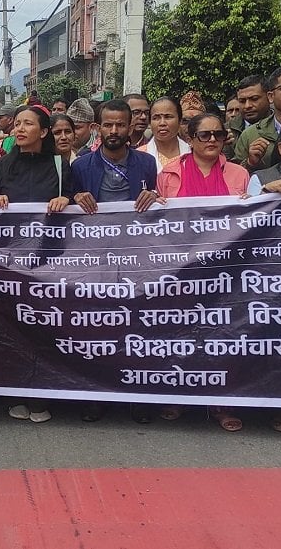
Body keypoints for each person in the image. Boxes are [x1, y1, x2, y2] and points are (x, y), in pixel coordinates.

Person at [156, 112, 250, 430]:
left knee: (223, 336)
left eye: (218, 135)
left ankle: (221, 403)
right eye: (204, 135)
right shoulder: (169, 173)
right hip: (182, 270)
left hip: (225, 272)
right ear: (190, 139)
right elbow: (160, 221)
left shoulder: (239, 174)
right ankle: (177, 396)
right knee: (179, 334)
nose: (212, 140)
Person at [0, 105, 73, 425]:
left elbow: (79, 203)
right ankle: (16, 392)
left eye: (28, 124)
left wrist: (67, 200)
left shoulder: (61, 166)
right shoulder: (2, 166)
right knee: (14, 326)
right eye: (18, 124)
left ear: (44, 131)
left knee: (46, 327)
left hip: (50, 262)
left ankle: (44, 394)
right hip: (11, 263)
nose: (20, 129)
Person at [69, 99, 160, 216]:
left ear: (130, 129)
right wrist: (76, 197)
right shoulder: (80, 166)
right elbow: (70, 205)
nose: (114, 131)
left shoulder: (147, 163)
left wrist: (153, 195)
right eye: (108, 125)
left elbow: (159, 198)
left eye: (120, 125)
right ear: (98, 129)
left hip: (135, 226)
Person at [142, 97, 190, 173]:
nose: (162, 123)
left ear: (180, 121)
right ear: (150, 123)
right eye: (156, 118)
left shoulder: (193, 154)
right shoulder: (139, 156)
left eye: (168, 117)